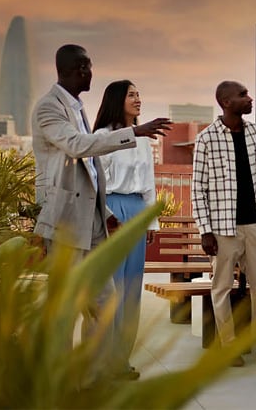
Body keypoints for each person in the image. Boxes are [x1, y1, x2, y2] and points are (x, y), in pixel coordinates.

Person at [31, 44, 171, 382]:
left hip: (92, 219)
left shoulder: (75, 106)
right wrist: (134, 132)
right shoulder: (49, 107)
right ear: (78, 69)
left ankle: (94, 374)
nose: (92, 72)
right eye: (88, 66)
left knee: (106, 300)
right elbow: (78, 147)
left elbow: (90, 170)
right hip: (66, 221)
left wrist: (103, 210)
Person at [191, 80, 256, 367]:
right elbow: (197, 189)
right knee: (221, 288)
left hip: (254, 224)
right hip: (221, 227)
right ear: (226, 102)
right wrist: (205, 230)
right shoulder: (207, 139)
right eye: (243, 95)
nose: (249, 98)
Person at [92, 79, 159, 379]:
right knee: (111, 290)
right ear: (117, 99)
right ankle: (102, 362)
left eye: (139, 93)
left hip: (136, 212)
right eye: (131, 94)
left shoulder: (143, 139)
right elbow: (94, 183)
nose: (138, 99)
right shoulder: (102, 137)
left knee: (132, 288)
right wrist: (107, 215)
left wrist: (151, 220)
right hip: (111, 213)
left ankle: (122, 361)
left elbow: (149, 184)